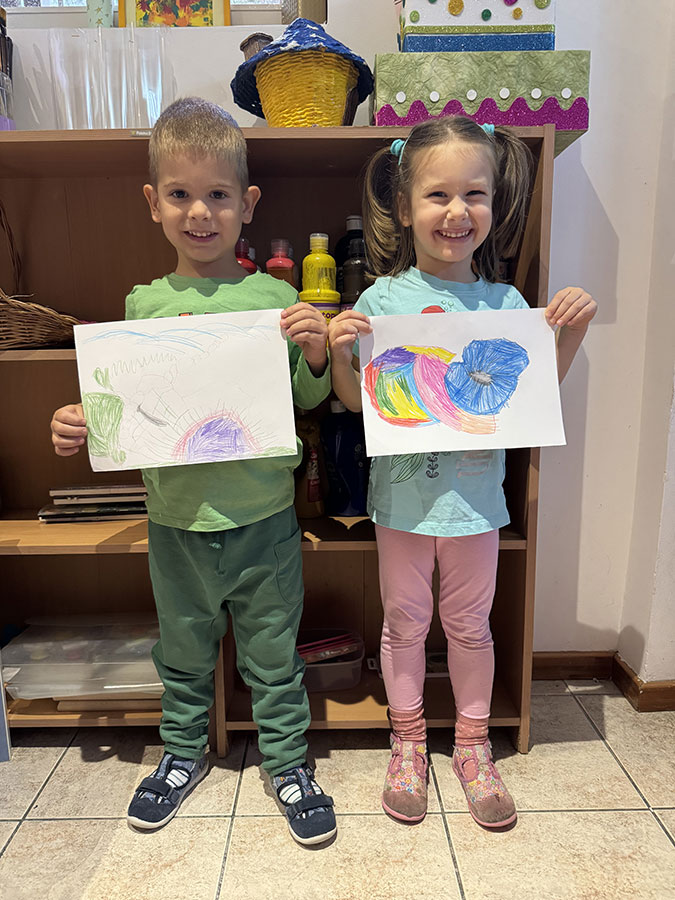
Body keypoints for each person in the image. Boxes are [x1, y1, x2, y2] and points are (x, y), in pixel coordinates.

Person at [50, 98, 337, 847]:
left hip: (264, 519)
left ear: (248, 203)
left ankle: (288, 762)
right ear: (153, 203)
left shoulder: (275, 298)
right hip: (176, 522)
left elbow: (307, 400)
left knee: (273, 654)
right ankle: (181, 753)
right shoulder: (141, 305)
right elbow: (127, 409)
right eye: (179, 194)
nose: (199, 212)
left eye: (217, 195)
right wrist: (79, 422)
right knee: (181, 654)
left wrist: (314, 351)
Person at [328, 116, 597, 828]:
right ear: (403, 206)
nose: (456, 211)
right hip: (401, 502)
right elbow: (354, 401)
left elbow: (533, 395)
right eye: (437, 194)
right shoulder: (382, 300)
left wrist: (567, 332)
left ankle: (473, 746)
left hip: (475, 503)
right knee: (403, 622)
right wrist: (341, 350)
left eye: (474, 194)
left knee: (471, 625)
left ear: (494, 204)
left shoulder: (505, 305)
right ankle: (408, 743)